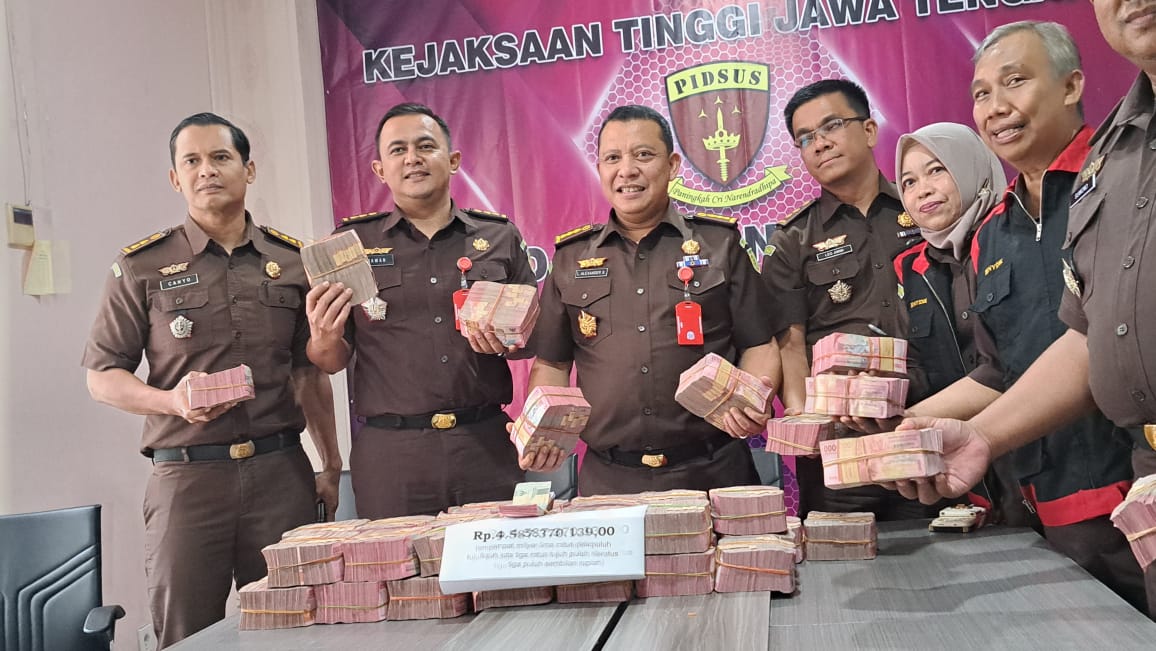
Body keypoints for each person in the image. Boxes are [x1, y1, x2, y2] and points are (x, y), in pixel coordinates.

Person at [891, 20, 1145, 614]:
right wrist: (908, 425)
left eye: (1015, 81)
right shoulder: (992, 233)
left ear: (1071, 86)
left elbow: (1102, 346)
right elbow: (998, 369)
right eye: (982, 93)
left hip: (1133, 491)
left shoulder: (1121, 182)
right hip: (1040, 501)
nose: (996, 107)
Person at [82, 113, 341, 647]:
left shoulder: (293, 261)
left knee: (292, 629)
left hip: (280, 472)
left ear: (249, 169)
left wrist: (331, 464)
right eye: (192, 161)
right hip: (187, 480)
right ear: (175, 178)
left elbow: (308, 373)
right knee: (185, 631)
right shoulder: (141, 267)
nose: (207, 171)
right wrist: (171, 402)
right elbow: (102, 377)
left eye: (221, 158)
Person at [522, 104, 783, 494]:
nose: (627, 170)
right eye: (613, 158)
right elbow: (552, 364)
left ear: (672, 165)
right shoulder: (570, 258)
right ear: (600, 168)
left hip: (715, 473)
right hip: (609, 482)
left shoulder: (719, 244)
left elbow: (760, 344)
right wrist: (544, 427)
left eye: (643, 155)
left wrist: (753, 399)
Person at [305, 103, 530, 518]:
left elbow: (531, 342)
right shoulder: (350, 245)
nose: (413, 158)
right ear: (380, 170)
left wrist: (511, 338)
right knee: (399, 563)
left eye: (426, 146)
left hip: (485, 445)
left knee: (496, 561)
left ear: (453, 160)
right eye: (398, 150)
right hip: (393, 455)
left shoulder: (499, 236)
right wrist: (323, 336)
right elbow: (329, 360)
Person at [760, 79, 930, 519]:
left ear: (869, 130)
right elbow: (790, 345)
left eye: (832, 126)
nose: (819, 144)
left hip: (928, 425)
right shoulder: (792, 239)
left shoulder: (924, 207)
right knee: (841, 553)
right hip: (841, 445)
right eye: (805, 138)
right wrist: (805, 424)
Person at [889, 123, 1034, 525]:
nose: (923, 190)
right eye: (908, 181)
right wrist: (872, 400)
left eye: (936, 170)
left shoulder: (1017, 235)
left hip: (1046, 451)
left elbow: (1009, 367)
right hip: (971, 474)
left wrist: (903, 425)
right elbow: (916, 366)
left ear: (970, 166)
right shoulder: (912, 268)